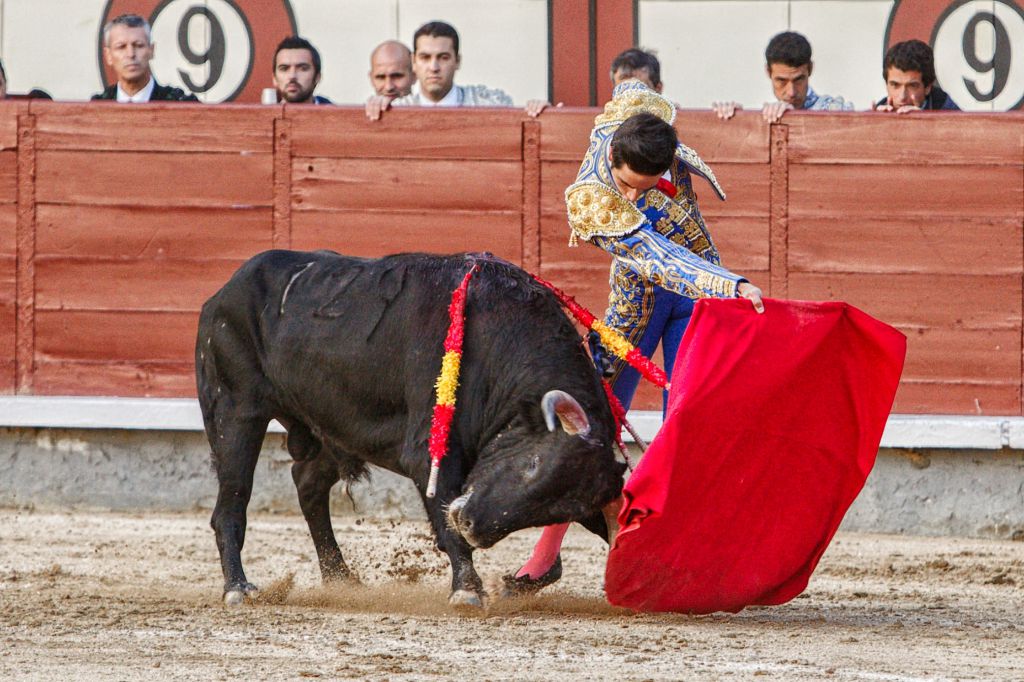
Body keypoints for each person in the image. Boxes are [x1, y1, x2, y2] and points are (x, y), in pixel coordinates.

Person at [504, 80, 764, 595]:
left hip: (695, 301)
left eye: (641, 188)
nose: (629, 197)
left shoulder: (643, 120)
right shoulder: (594, 199)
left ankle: (682, 552)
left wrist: (720, 285)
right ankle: (545, 554)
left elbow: (633, 85)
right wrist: (730, 283)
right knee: (589, 422)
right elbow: (662, 262)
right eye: (625, 184)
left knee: (686, 424)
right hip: (641, 298)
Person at [366, 21, 551, 119]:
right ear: (413, 62)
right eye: (425, 58)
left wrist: (543, 114)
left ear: (457, 61)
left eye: (443, 57)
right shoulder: (395, 110)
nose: (434, 67)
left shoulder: (490, 103)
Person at [713, 31, 851, 123]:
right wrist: (733, 118)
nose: (791, 92)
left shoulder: (834, 109)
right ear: (768, 72)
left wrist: (793, 118)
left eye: (798, 80)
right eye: (781, 81)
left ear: (810, 69)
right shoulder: (768, 113)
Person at [92, 14, 197, 102]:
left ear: (151, 50)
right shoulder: (97, 108)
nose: (131, 54)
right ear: (108, 55)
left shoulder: (179, 104)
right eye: (121, 47)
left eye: (138, 45)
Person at [874, 39, 959, 113]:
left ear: (928, 87)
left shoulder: (950, 113)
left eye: (912, 86)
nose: (902, 97)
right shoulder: (876, 114)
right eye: (895, 85)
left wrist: (923, 124)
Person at [272, 36, 331, 104]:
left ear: (317, 77)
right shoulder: (262, 114)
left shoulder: (336, 114)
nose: (292, 76)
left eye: (303, 69)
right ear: (274, 78)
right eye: (284, 69)